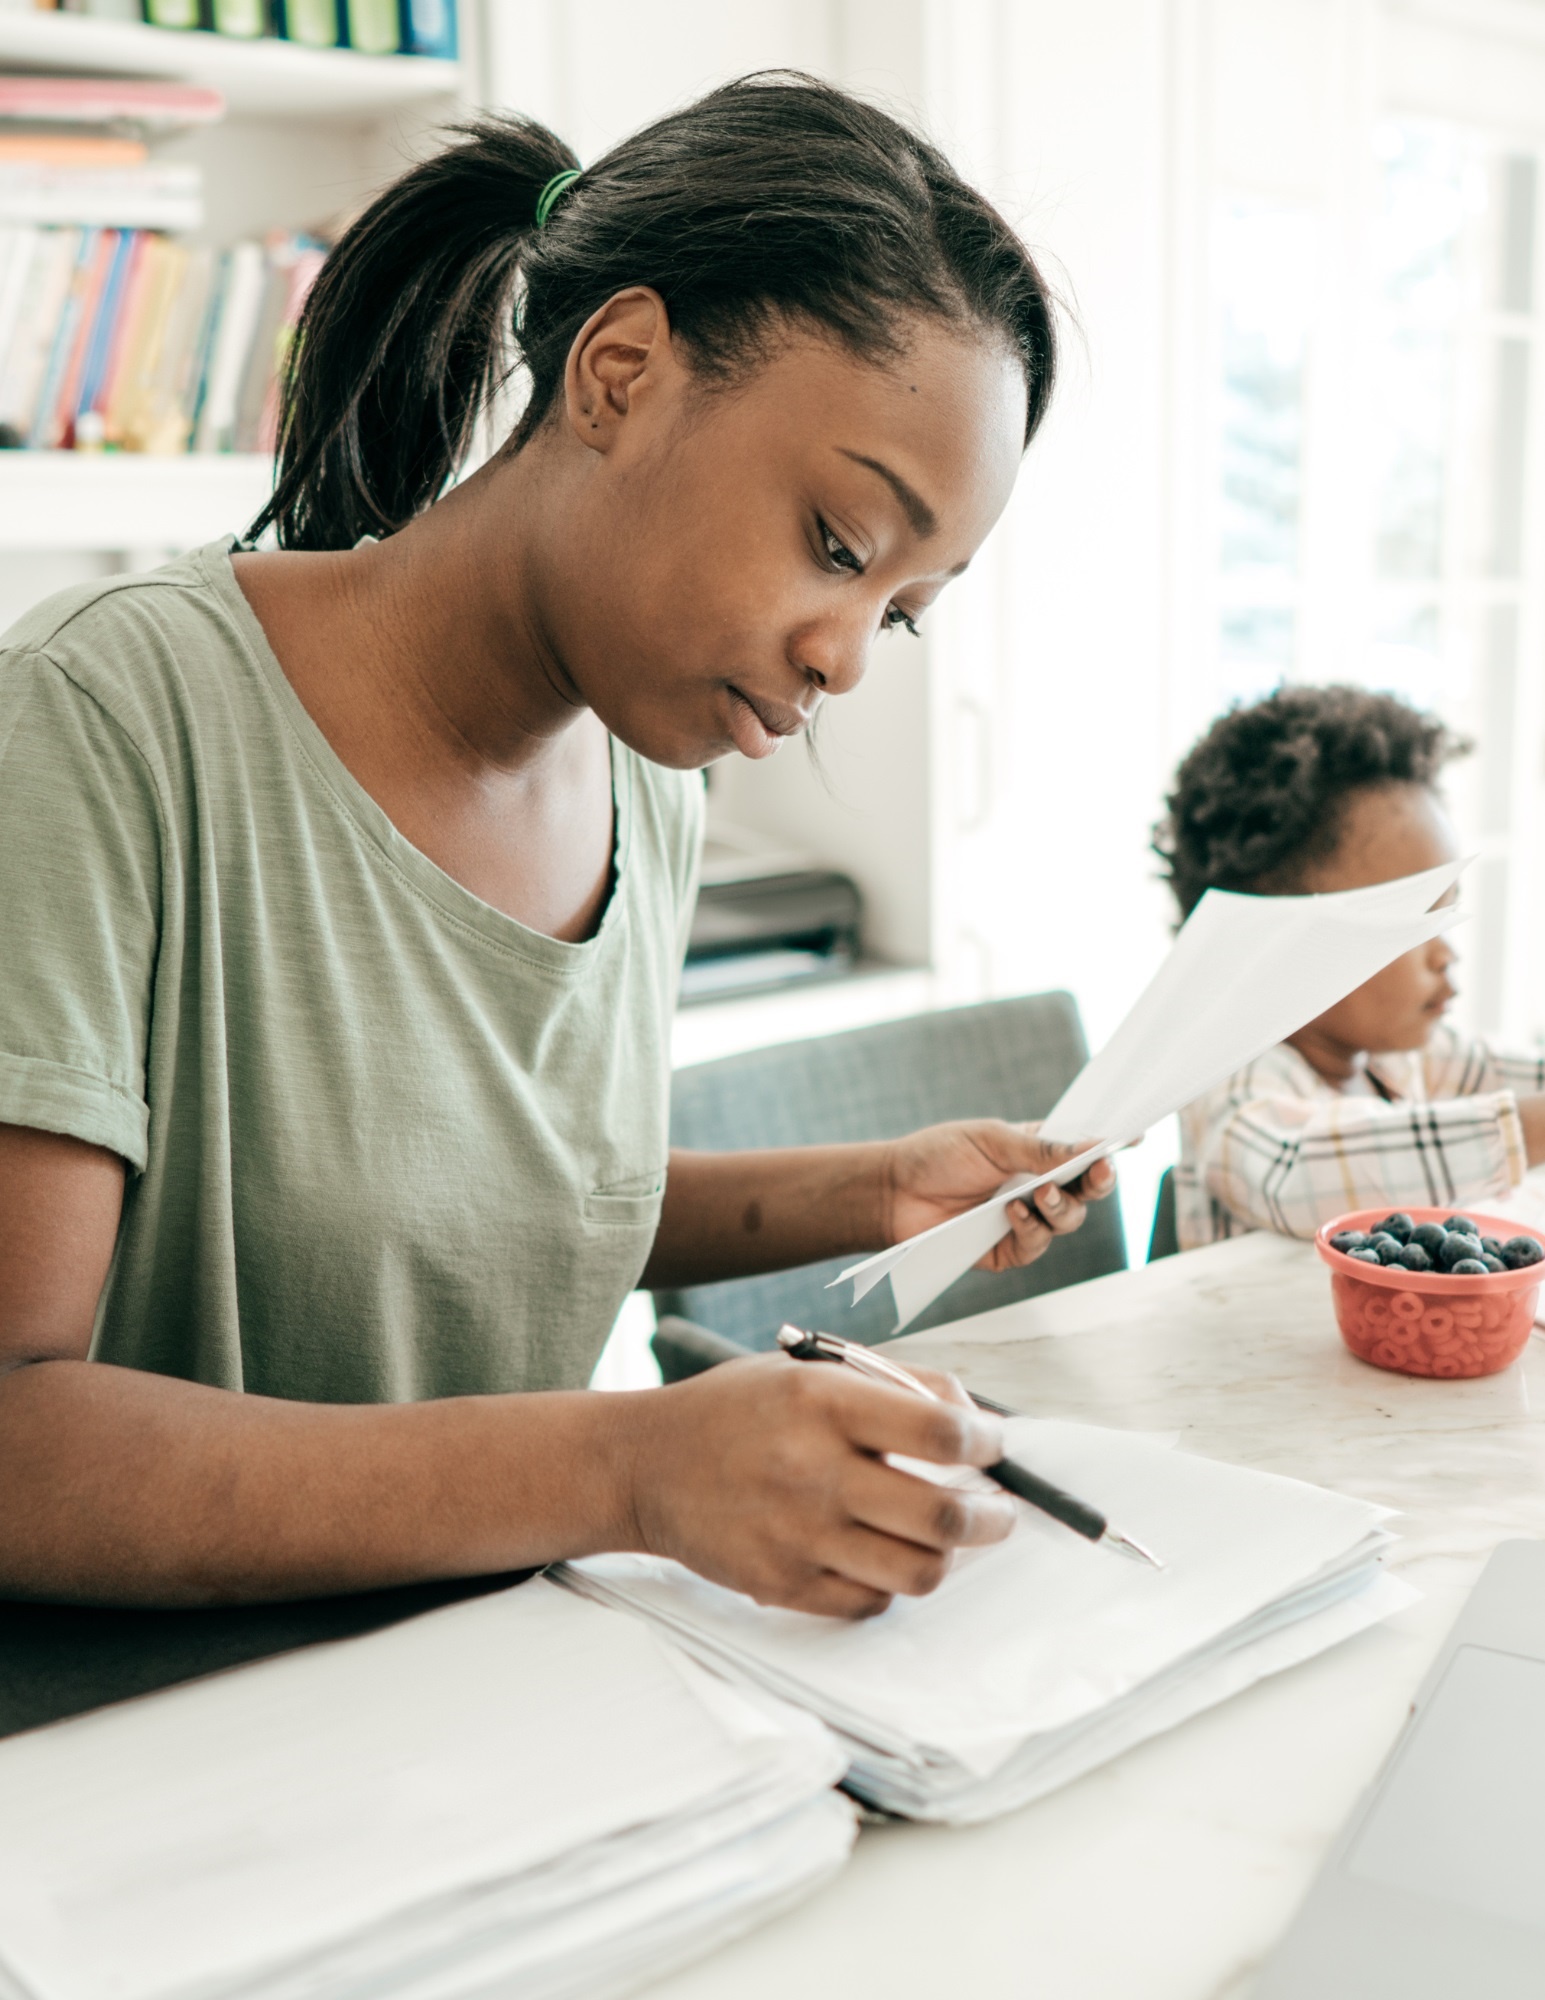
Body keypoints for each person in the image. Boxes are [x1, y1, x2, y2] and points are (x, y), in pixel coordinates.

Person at [0, 76, 1115, 1616]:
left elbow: (491, 1197)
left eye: (900, 611)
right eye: (841, 547)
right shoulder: (105, 715)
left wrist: (871, 1189)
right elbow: (16, 1436)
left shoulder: (648, 780)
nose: (849, 657)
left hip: (517, 1700)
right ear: (621, 373)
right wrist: (631, 1468)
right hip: (161, 1769)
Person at [1155, 684, 1545, 1251]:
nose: (1446, 951)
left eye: (1449, 911)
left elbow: (1516, 1071)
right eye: (1416, 919)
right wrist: (1532, 1128)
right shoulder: (1230, 1085)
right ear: (1279, 943)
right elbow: (1300, 1168)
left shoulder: (1402, 1059)